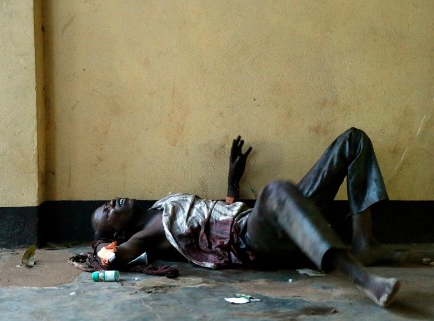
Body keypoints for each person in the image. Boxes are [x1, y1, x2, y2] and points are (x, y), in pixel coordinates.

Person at [91, 128, 400, 307]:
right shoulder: (142, 237)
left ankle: (364, 242)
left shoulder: (163, 205)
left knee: (353, 140)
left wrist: (231, 182)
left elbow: (216, 217)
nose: (111, 203)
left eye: (106, 203)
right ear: (117, 234)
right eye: (107, 212)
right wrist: (102, 250)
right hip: (251, 240)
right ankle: (360, 276)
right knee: (276, 190)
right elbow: (116, 258)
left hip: (254, 221)